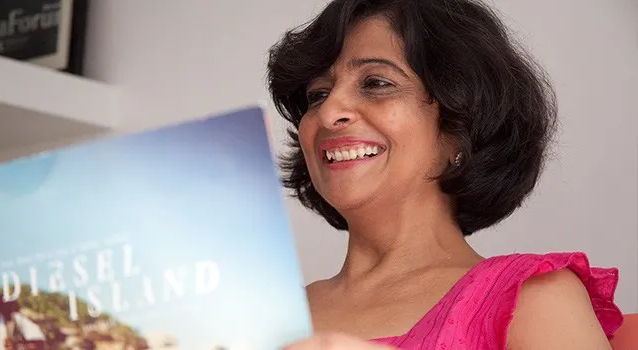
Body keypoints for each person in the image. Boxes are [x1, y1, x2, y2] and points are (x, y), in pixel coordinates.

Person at [265, 0, 625, 349]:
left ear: (458, 130)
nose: (328, 113)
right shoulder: (265, 318)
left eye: (376, 83)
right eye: (318, 95)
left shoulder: (533, 298)